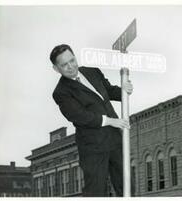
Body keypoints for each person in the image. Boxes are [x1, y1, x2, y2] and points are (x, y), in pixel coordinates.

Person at [50, 44, 133, 197]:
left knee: (126, 187)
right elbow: (80, 116)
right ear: (56, 69)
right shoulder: (61, 92)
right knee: (96, 192)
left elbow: (107, 91)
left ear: (75, 57)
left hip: (114, 139)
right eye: (64, 65)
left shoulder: (91, 71)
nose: (70, 66)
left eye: (72, 60)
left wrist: (123, 90)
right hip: (92, 147)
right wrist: (110, 121)